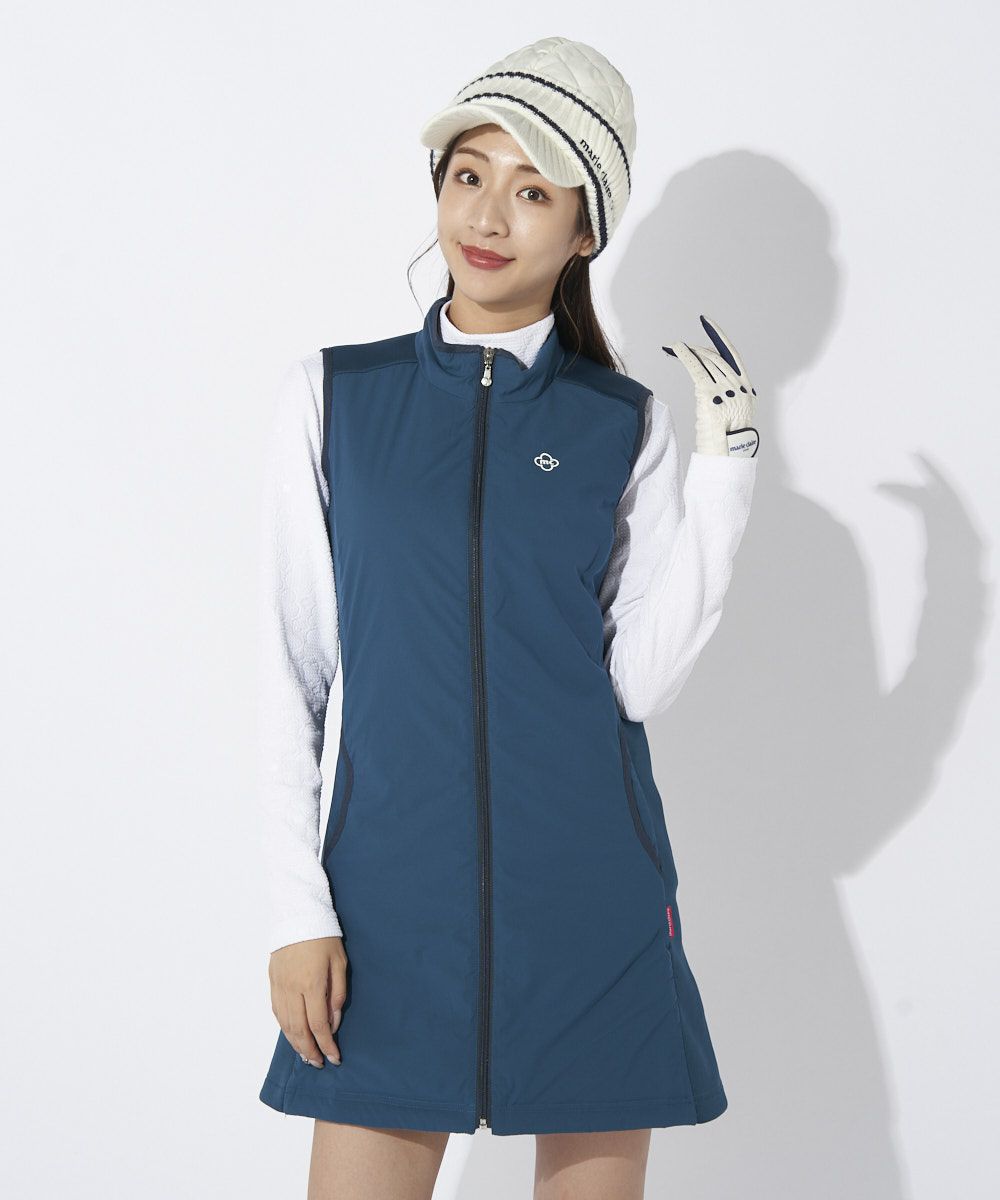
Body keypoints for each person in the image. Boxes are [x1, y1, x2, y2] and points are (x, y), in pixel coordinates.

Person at [256, 36, 759, 1200]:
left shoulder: (622, 422)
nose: (486, 216)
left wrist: (726, 475)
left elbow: (637, 684)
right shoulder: (335, 397)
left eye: (533, 191)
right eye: (468, 175)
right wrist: (296, 912)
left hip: (592, 904)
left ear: (585, 230)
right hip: (386, 910)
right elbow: (291, 673)